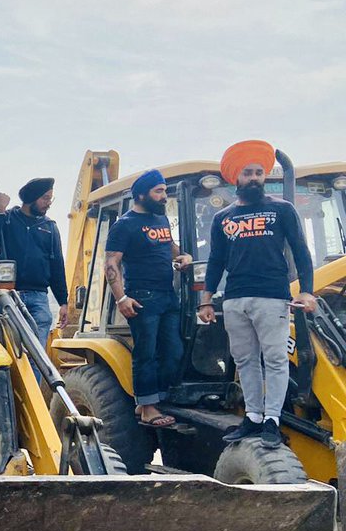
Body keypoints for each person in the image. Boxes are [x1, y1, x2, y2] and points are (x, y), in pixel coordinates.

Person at [199, 141, 316, 447]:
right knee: (245, 360)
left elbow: (301, 252)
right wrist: (207, 298)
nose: (253, 178)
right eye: (247, 173)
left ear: (265, 177)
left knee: (275, 359)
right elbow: (216, 261)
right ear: (236, 178)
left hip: (272, 296)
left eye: (258, 173)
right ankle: (252, 417)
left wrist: (307, 291)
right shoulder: (222, 217)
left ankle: (272, 421)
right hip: (235, 298)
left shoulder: (282, 210)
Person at [104, 169, 192, 428]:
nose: (164, 196)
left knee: (174, 351)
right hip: (143, 297)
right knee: (146, 353)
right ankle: (148, 408)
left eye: (165, 190)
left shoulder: (160, 220)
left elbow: (169, 245)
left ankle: (147, 400)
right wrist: (121, 299)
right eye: (159, 191)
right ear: (142, 194)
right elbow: (111, 264)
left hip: (167, 295)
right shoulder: (125, 224)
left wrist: (183, 255)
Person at [0, 177, 68, 350]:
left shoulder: (50, 227)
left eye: (50, 198)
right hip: (9, 296)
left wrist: (63, 302)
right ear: (30, 198)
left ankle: (34, 379)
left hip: (39, 299)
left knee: (37, 356)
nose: (48, 203)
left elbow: (57, 266)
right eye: (45, 198)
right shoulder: (6, 219)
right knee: (11, 352)